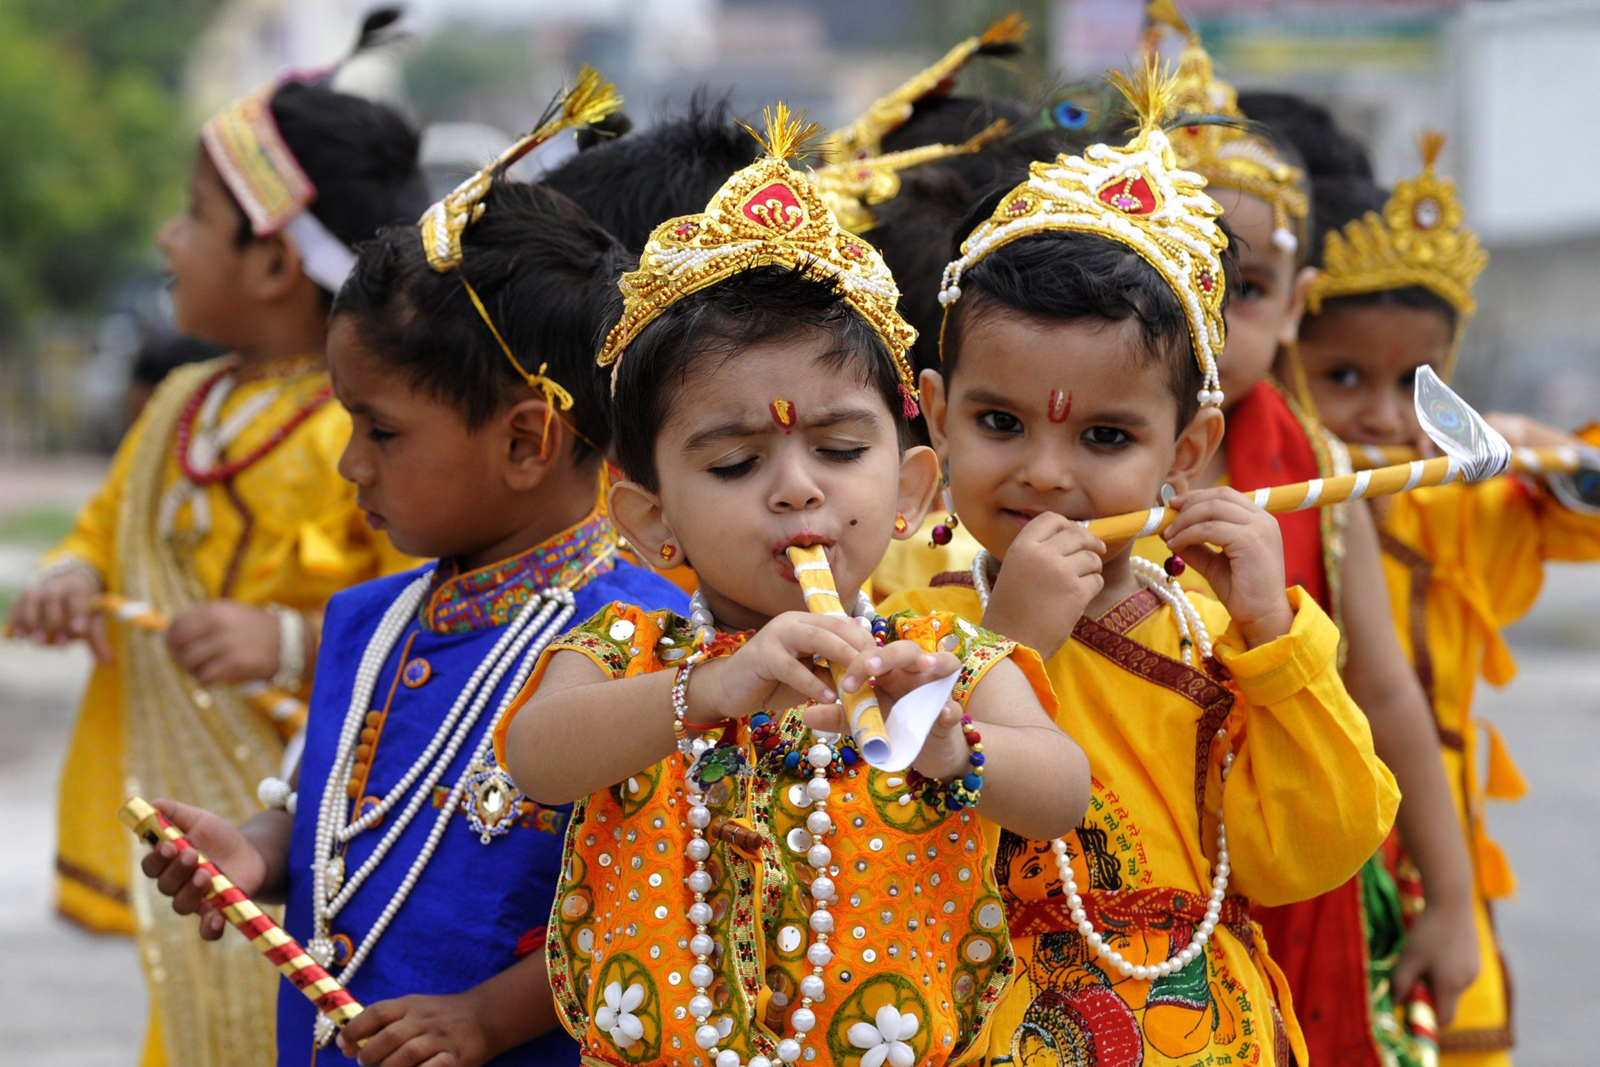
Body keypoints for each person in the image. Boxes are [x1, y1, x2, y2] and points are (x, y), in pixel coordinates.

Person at [496, 107, 1090, 1067]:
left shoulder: (946, 658)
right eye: (735, 463)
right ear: (653, 523)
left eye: (841, 448)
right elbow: (536, 757)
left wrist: (951, 743)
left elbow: (1062, 791)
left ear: (909, 490)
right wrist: (707, 692)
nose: (798, 485)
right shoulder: (624, 653)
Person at [135, 71, 688, 1067]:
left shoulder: (652, 637)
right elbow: (331, 807)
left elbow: (649, 906)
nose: (352, 463)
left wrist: (489, 1016)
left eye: (379, 429)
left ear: (526, 441)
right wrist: (255, 850)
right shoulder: (369, 619)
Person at [886, 63, 1400, 1065]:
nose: (1046, 473)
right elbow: (886, 826)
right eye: (999, 422)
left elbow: (1309, 851)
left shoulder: (1212, 629)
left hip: (1204, 1031)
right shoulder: (898, 599)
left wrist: (1275, 643)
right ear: (938, 413)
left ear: (1186, 450)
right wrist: (1006, 644)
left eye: (1106, 438)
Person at [4, 59, 426, 1066]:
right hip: (202, 836)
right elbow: (107, 527)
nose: (166, 237)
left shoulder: (367, 430)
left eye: (192, 213)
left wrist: (285, 639)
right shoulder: (180, 402)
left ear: (276, 262)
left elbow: (427, 607)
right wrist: (68, 574)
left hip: (299, 826)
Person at [1134, 11, 1483, 1064]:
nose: (1205, 311)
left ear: (1296, 306)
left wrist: (1452, 899)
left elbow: (1382, 695)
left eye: (1239, 289)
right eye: (1174, 270)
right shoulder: (1066, 467)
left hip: (1296, 860)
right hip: (1121, 870)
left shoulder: (1323, 478)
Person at [1290, 135, 1600, 1067]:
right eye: (1344, 378)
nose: (1384, 417)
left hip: (1443, 852)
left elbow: (1586, 519)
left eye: (1416, 386)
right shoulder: (1275, 502)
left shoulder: (1452, 502)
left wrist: (1540, 448)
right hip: (1320, 849)